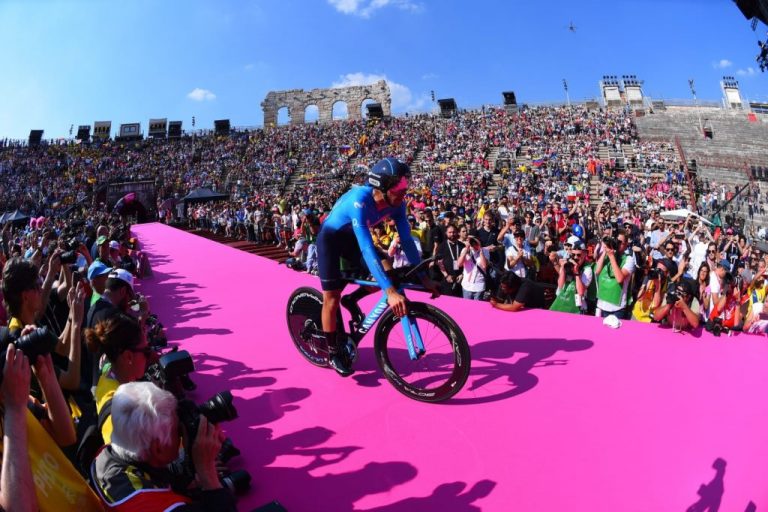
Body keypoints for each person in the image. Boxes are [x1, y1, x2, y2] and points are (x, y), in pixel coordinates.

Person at [315, 158, 439, 376]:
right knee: (331, 299)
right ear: (382, 187)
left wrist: (423, 276)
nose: (404, 191)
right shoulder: (359, 201)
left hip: (352, 240)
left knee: (388, 271)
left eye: (405, 184)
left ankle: (352, 299)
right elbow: (366, 248)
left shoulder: (398, 204)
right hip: (330, 240)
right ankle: (333, 353)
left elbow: (407, 241)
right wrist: (389, 292)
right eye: (399, 186)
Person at [91, 382, 236, 512]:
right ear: (158, 449)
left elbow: (154, 473)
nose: (181, 437)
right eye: (177, 432)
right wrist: (207, 474)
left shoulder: (105, 457)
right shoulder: (162, 508)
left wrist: (188, 478)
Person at [84, 314, 152, 444]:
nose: (150, 357)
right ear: (128, 357)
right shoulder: (117, 409)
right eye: (146, 351)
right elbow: (121, 453)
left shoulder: (108, 372)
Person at [594, 230, 635, 319]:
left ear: (626, 244)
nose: (617, 244)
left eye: (620, 242)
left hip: (616, 308)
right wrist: (606, 249)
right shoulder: (606, 255)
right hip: (601, 304)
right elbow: (597, 271)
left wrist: (612, 256)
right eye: (616, 241)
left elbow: (619, 278)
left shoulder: (629, 259)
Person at [457, 236, 491, 300]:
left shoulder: (485, 251)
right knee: (467, 306)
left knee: (477, 307)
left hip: (479, 285)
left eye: (475, 242)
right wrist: (466, 250)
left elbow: (484, 266)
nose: (474, 244)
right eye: (472, 242)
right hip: (467, 285)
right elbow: (459, 264)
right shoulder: (465, 250)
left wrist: (480, 250)